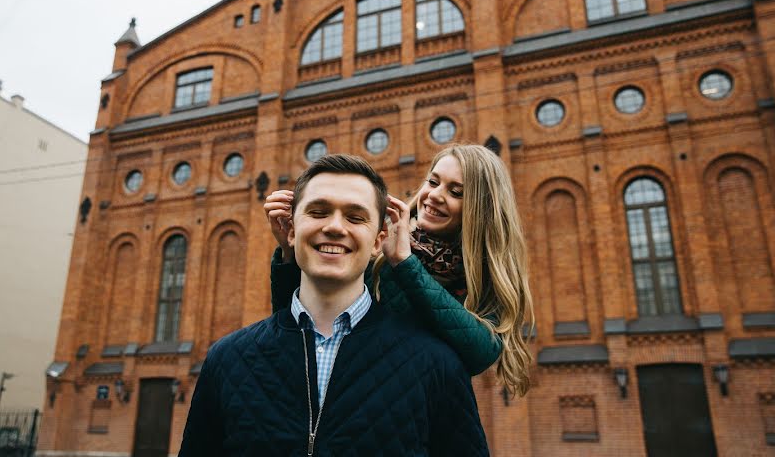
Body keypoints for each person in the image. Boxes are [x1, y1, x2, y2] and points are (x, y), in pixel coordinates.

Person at [178, 154, 488, 456]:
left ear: (380, 239)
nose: (335, 227)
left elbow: (483, 347)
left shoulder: (439, 365)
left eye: (355, 217)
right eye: (318, 212)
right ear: (290, 228)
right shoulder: (227, 360)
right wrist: (288, 258)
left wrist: (404, 262)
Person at [266, 144, 534, 394]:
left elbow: (481, 352)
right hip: (351, 394)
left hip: (418, 408)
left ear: (480, 208)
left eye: (455, 192)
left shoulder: (482, 271)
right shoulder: (381, 241)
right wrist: (289, 253)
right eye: (433, 181)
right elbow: (299, 329)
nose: (435, 196)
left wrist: (406, 265)